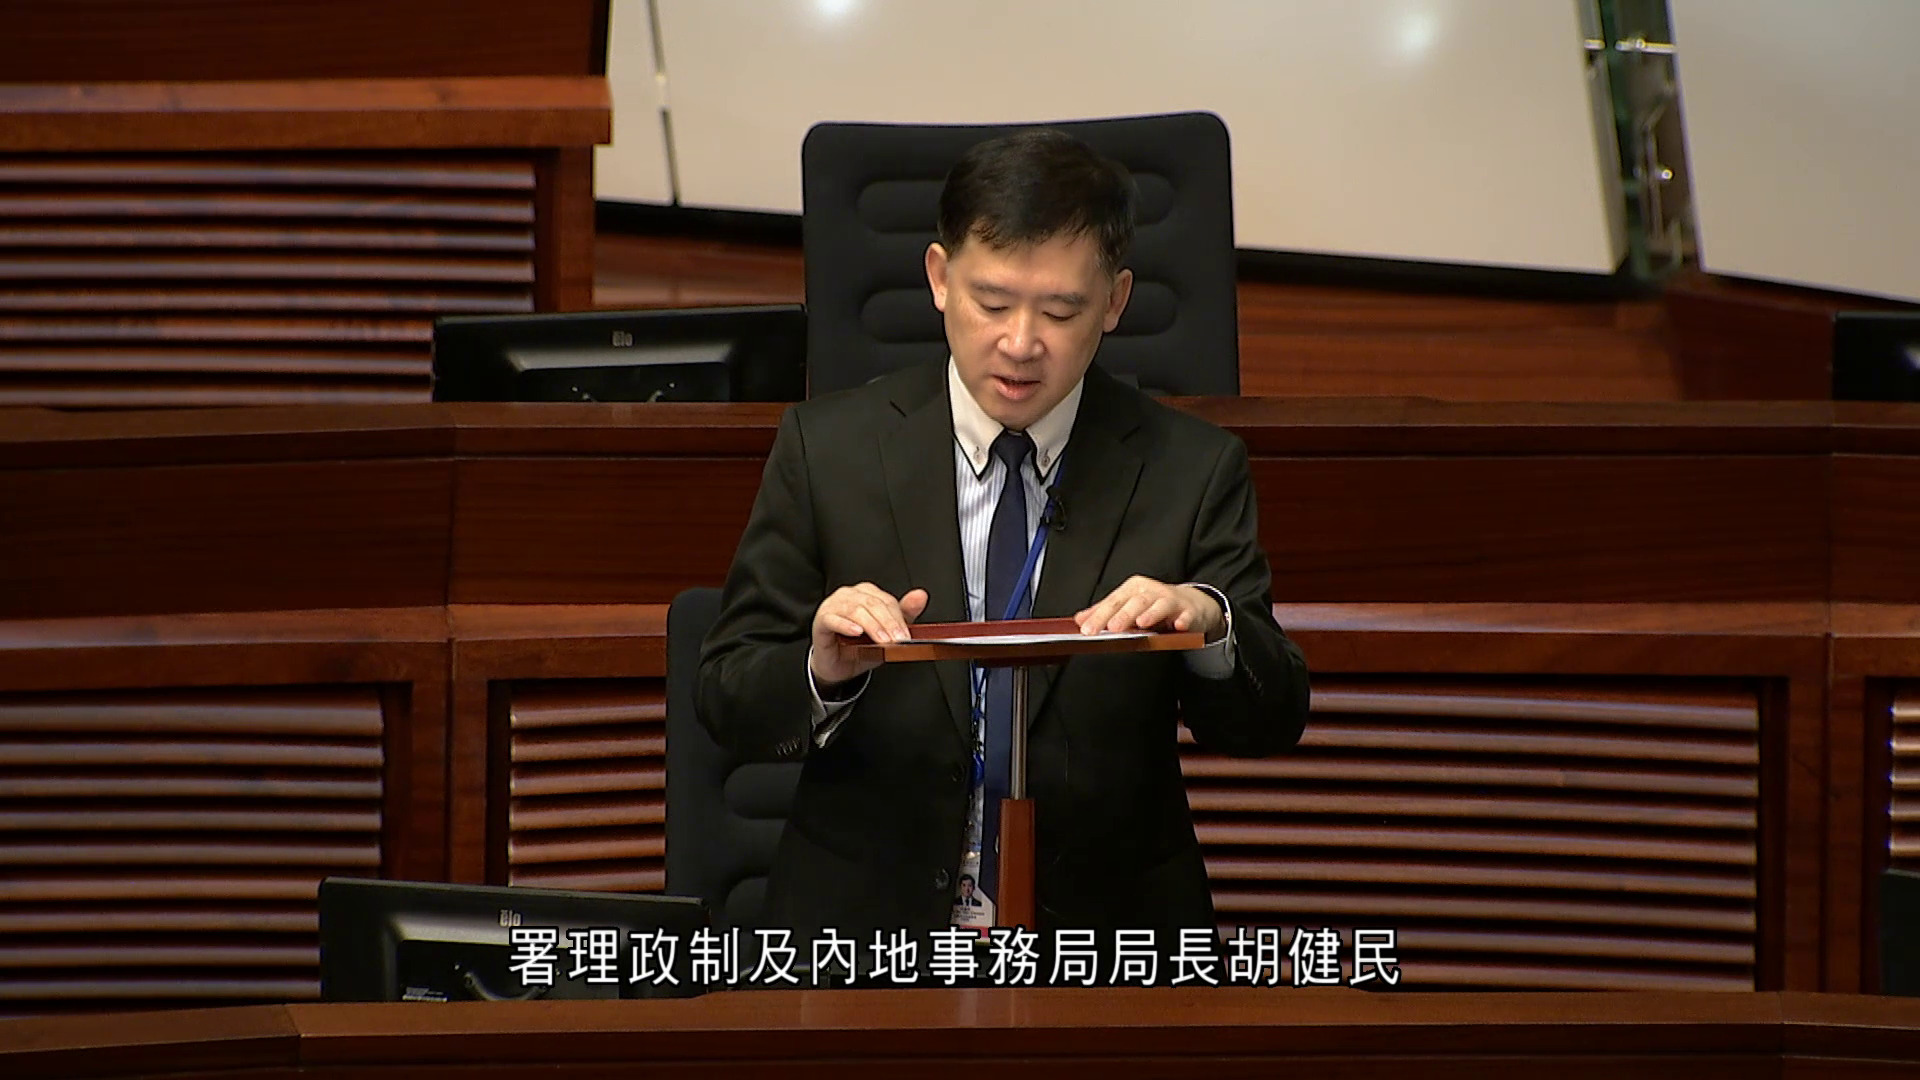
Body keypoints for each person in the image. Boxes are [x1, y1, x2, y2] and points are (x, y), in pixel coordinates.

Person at [697, 129, 1309, 956]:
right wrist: (822, 670)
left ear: (1116, 302)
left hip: (1106, 939)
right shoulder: (827, 449)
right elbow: (727, 698)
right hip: (863, 935)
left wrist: (1210, 626)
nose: (1021, 344)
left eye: (1060, 312)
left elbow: (1270, 721)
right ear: (939, 278)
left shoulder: (1193, 469)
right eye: (992, 304)